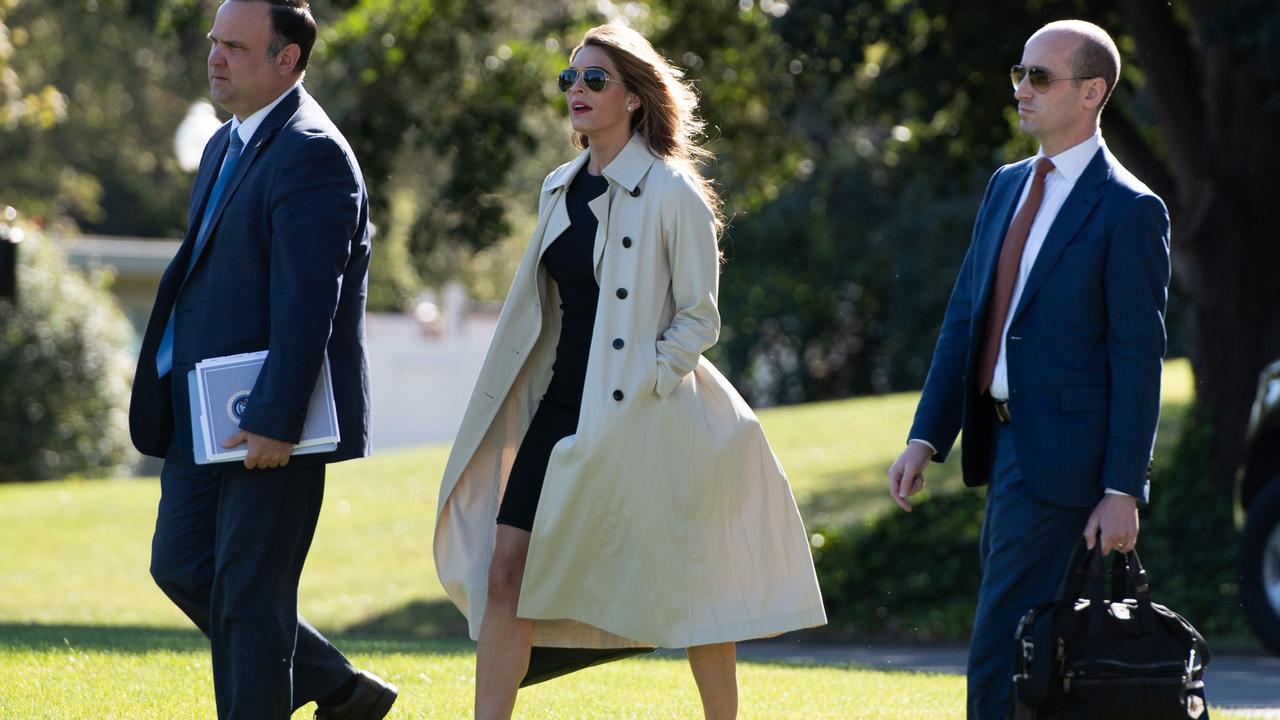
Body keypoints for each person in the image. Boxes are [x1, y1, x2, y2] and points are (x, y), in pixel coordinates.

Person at [433, 23, 826, 720]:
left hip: (653, 413)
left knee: (692, 581)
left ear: (635, 98)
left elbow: (700, 319)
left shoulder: (675, 191)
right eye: (569, 79)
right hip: (559, 404)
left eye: (594, 80)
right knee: (506, 570)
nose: (576, 92)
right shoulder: (558, 187)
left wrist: (647, 377)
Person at [886, 20, 1171, 719]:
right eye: (1019, 72)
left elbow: (1139, 360)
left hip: (1071, 465)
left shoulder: (1130, 209)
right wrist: (927, 437)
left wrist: (1122, 489)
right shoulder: (1005, 187)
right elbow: (965, 319)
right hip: (1005, 446)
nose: (1020, 88)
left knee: (1002, 642)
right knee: (1034, 646)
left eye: (1039, 77)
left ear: (1091, 92)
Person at [128, 1, 396, 717]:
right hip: (202, 415)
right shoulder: (225, 144)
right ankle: (339, 687)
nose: (215, 58)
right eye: (215, 43)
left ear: (288, 59)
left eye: (235, 48)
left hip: (272, 423)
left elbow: (308, 303)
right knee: (182, 565)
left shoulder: (314, 152)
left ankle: (330, 690)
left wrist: (276, 420)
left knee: (250, 597)